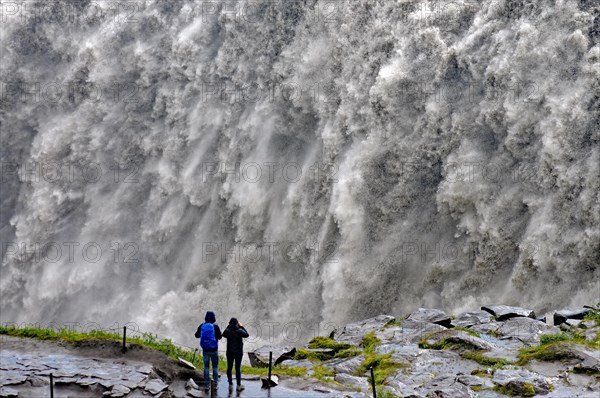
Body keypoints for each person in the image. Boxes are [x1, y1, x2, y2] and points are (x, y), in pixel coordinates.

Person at [194, 311, 222, 390]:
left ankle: (207, 385)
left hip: (205, 350)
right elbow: (220, 337)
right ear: (213, 317)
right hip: (214, 349)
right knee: (215, 367)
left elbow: (196, 335)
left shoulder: (202, 325)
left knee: (206, 367)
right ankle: (215, 385)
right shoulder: (215, 326)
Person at [222, 317, 249, 392]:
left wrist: (228, 326)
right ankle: (238, 385)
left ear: (230, 323)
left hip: (230, 352)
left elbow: (223, 335)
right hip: (238, 353)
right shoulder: (240, 331)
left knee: (229, 368)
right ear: (237, 323)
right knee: (237, 368)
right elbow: (247, 334)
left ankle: (230, 384)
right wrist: (242, 326)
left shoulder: (227, 331)